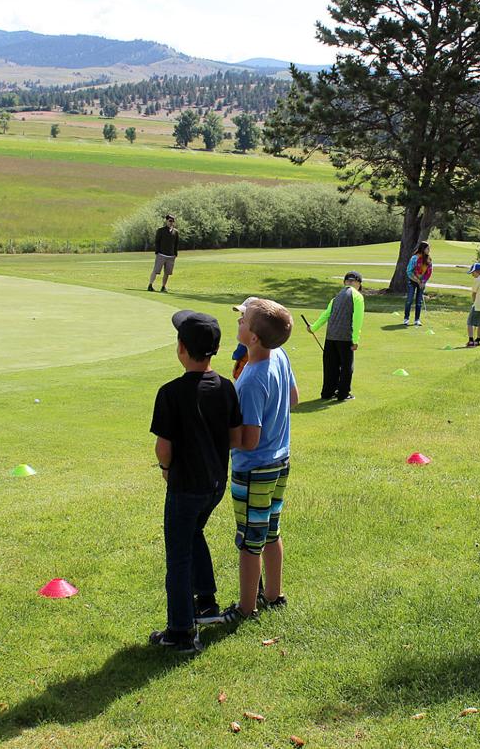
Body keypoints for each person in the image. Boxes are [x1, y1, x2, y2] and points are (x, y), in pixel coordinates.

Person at [149, 311, 243, 653]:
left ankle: (180, 632)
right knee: (194, 533)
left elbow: (164, 446)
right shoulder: (226, 388)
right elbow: (235, 438)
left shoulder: (170, 393)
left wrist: (164, 466)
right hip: (215, 485)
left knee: (178, 556)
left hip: (185, 486)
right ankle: (205, 602)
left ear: (182, 349)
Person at [200, 298, 299, 624]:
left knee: (249, 541)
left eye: (243, 321)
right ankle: (273, 595)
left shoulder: (254, 377)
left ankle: (246, 608)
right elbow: (294, 399)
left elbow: (249, 438)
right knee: (271, 530)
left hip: (254, 468)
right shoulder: (280, 356)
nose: (238, 324)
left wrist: (215, 437)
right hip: (280, 460)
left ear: (254, 337)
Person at [309, 271, 365, 401]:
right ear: (359, 283)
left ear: (345, 282)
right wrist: (355, 340)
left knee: (330, 366)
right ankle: (343, 394)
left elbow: (326, 315)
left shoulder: (336, 297)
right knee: (346, 367)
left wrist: (313, 328)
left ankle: (327, 393)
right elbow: (357, 320)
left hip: (330, 338)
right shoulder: (357, 296)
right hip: (346, 338)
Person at [148, 214, 179, 292]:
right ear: (166, 221)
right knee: (156, 270)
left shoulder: (175, 232)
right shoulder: (161, 230)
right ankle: (150, 285)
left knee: (167, 273)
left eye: (173, 221)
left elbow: (176, 244)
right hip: (161, 254)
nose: (171, 223)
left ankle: (163, 287)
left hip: (171, 256)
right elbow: (157, 242)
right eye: (170, 221)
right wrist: (157, 252)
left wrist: (175, 254)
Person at [404, 241, 432, 326]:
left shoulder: (428, 259)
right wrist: (418, 281)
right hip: (412, 281)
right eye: (427, 248)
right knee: (409, 300)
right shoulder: (414, 258)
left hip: (422, 282)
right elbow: (409, 271)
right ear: (423, 249)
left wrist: (423, 282)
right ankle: (406, 318)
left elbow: (429, 272)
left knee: (419, 301)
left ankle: (417, 319)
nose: (429, 250)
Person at [464, 262, 480, 348]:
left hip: (478, 305)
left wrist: (474, 302)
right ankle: (478, 340)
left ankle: (471, 341)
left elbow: (474, 293)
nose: (472, 275)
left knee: (469, 322)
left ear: (478, 271)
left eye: (473, 272)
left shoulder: (478, 280)